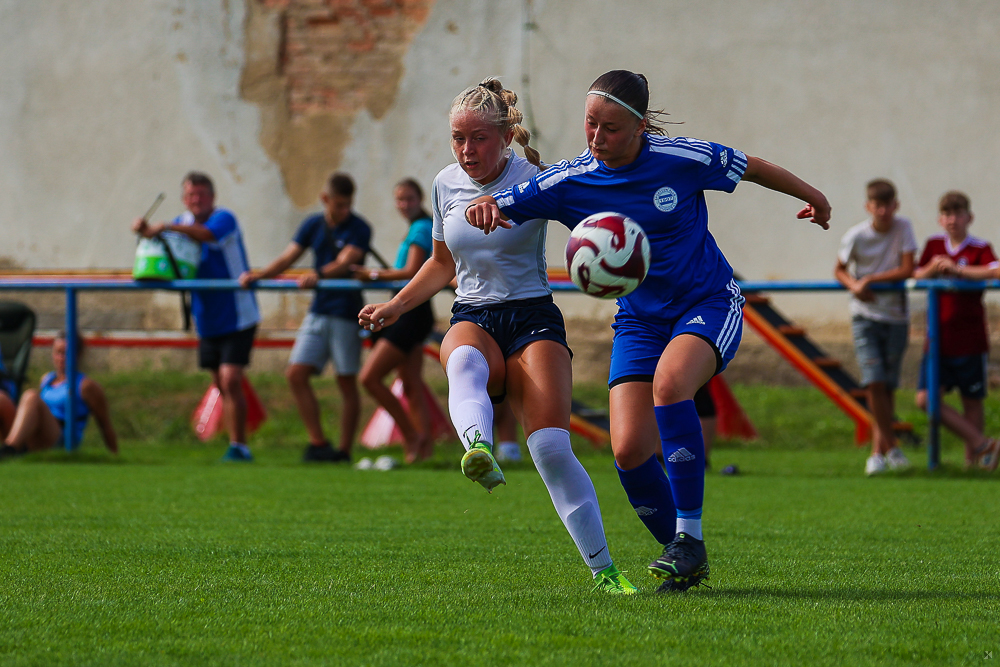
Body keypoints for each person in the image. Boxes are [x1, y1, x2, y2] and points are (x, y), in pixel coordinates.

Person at [465, 69, 830, 592]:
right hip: (639, 320)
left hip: (706, 303)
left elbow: (751, 166)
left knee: (670, 386)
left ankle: (688, 535)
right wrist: (486, 205)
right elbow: (505, 201)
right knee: (629, 451)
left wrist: (812, 194)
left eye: (610, 128)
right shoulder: (571, 180)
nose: (596, 138)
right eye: (590, 124)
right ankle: (684, 555)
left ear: (640, 127)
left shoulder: (680, 159)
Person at [359, 78, 637, 595]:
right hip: (474, 314)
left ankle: (606, 572)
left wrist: (611, 247)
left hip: (532, 316)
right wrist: (395, 306)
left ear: (506, 136)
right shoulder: (444, 183)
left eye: (479, 138)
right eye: (458, 139)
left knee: (553, 448)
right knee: (462, 361)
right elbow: (442, 264)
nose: (467, 150)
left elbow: (593, 219)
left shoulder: (537, 179)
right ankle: (478, 449)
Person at [240, 173, 370, 463]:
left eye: (348, 204)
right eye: (339, 205)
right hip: (319, 311)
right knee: (296, 375)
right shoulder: (313, 224)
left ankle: (344, 451)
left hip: (348, 313)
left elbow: (347, 260)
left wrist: (319, 275)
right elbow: (288, 258)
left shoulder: (360, 228)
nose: (344, 211)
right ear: (325, 200)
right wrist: (259, 275)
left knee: (346, 382)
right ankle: (318, 443)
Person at [134, 171, 260, 462]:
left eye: (202, 195)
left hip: (238, 314)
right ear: (184, 199)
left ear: (212, 198)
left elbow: (207, 235)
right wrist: (143, 229)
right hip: (207, 318)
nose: (197, 200)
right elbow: (160, 243)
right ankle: (235, 443)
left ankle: (239, 445)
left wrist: (164, 226)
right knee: (220, 382)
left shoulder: (224, 218)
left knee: (230, 380)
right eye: (191, 195)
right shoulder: (181, 224)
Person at [835, 179, 917, 476]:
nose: (883, 211)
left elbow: (909, 268)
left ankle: (882, 453)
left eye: (888, 205)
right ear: (868, 207)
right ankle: (887, 449)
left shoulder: (903, 227)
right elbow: (839, 270)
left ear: (896, 205)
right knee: (873, 381)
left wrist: (870, 280)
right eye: (877, 205)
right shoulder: (856, 235)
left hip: (895, 316)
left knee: (888, 386)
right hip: (864, 315)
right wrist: (856, 286)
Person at [913, 191, 1000, 471]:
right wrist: (931, 269)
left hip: (970, 339)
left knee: (971, 402)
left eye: (958, 213)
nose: (953, 220)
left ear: (969, 217)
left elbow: (995, 270)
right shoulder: (934, 246)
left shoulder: (978, 248)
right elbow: (915, 275)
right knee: (926, 399)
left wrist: (959, 271)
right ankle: (982, 442)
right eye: (947, 214)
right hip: (937, 339)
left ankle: (973, 465)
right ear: (940, 219)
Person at [353, 178, 435, 464]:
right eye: (400, 199)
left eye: (409, 199)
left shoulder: (422, 227)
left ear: (420, 198)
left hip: (410, 314)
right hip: (416, 312)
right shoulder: (417, 227)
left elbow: (410, 271)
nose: (404, 205)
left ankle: (412, 436)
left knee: (369, 378)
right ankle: (423, 452)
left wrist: (371, 275)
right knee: (411, 382)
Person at [0, 332, 117, 458]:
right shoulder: (47, 379)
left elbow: (105, 424)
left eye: (66, 353)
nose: (61, 358)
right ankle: (12, 447)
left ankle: (10, 449)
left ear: (77, 355)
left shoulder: (85, 386)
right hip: (37, 431)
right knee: (1, 398)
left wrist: (115, 455)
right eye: (58, 353)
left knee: (31, 396)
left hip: (61, 438)